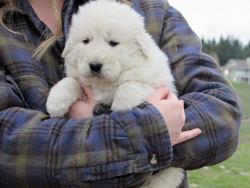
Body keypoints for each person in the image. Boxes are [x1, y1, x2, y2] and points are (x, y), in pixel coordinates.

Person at [0, 0, 242, 187]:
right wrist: (149, 133)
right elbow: (8, 147)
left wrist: (97, 131)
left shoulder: (150, 11)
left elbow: (223, 115)